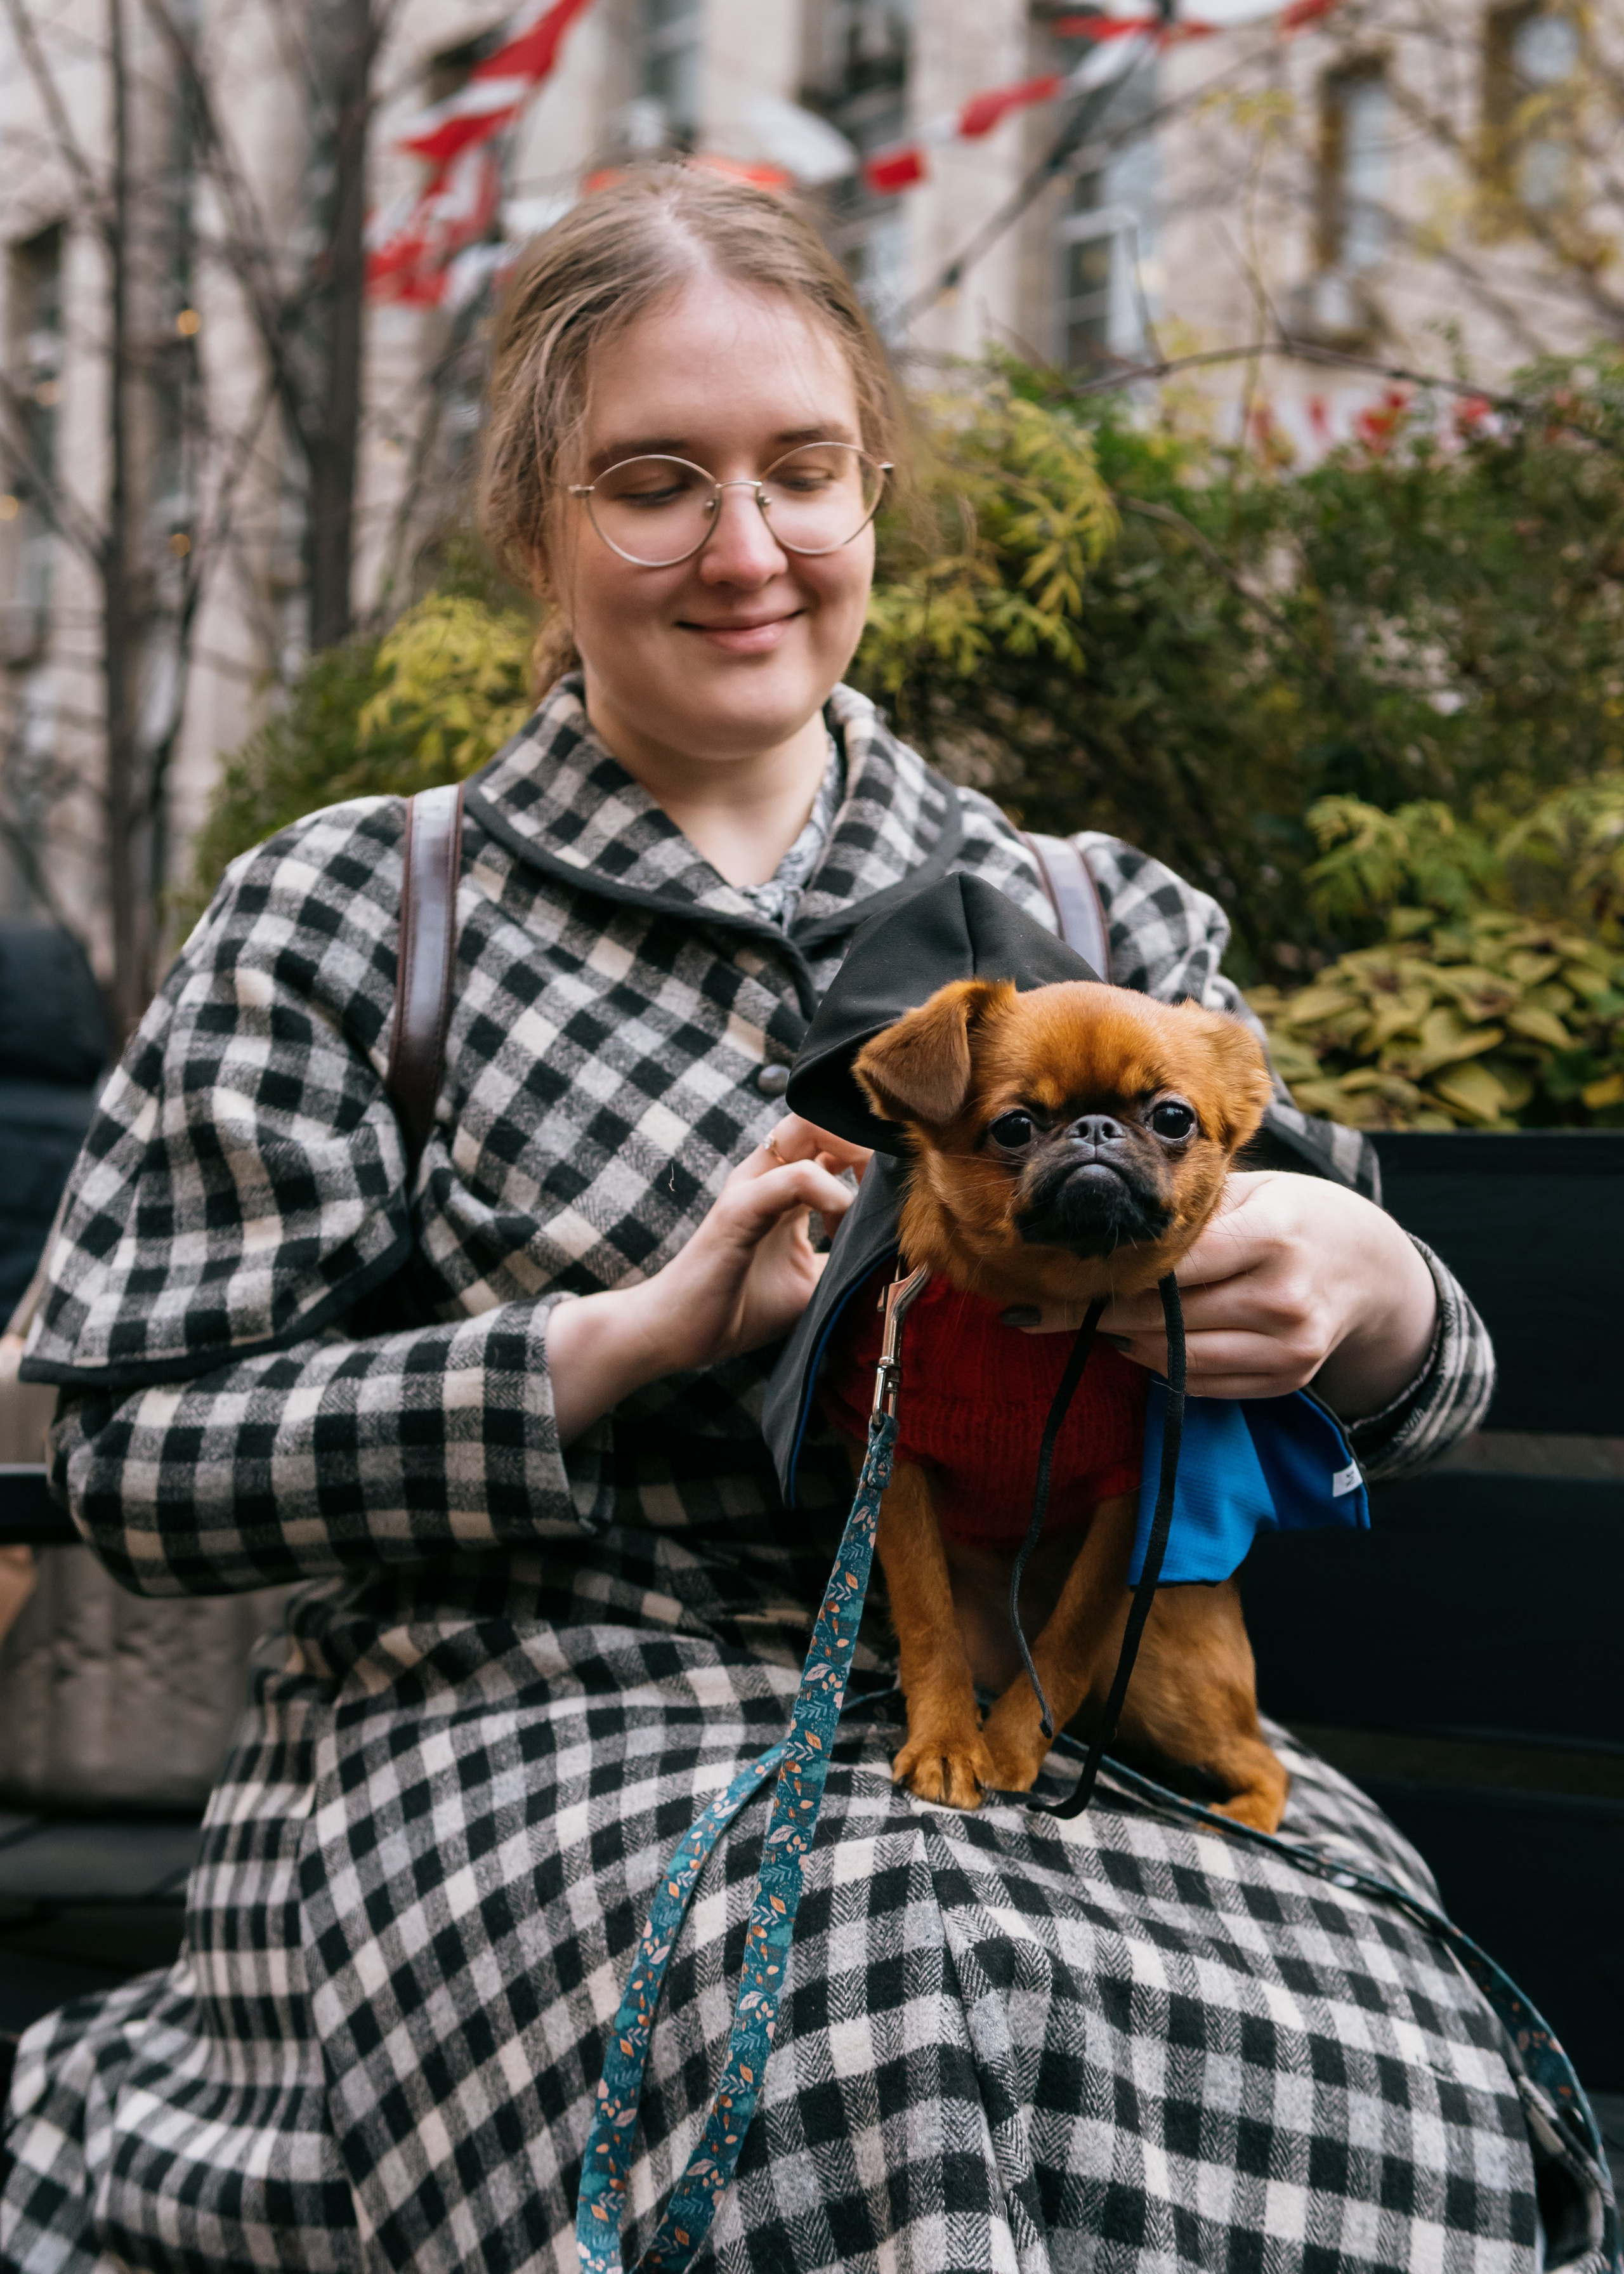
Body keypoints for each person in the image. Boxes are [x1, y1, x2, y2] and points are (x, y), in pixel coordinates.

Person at [2, 168, 1530, 2274]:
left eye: (802, 472)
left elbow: (1420, 1371)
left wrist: (1369, 1293)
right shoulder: (361, 916)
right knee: (866, 2038)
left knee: (1370, 2083)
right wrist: (604, 1350)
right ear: (536, 524)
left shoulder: (1102, 925)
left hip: (1067, 1721)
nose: (745, 551)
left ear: (870, 485)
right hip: (521, 1728)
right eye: (655, 483)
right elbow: (130, 1464)